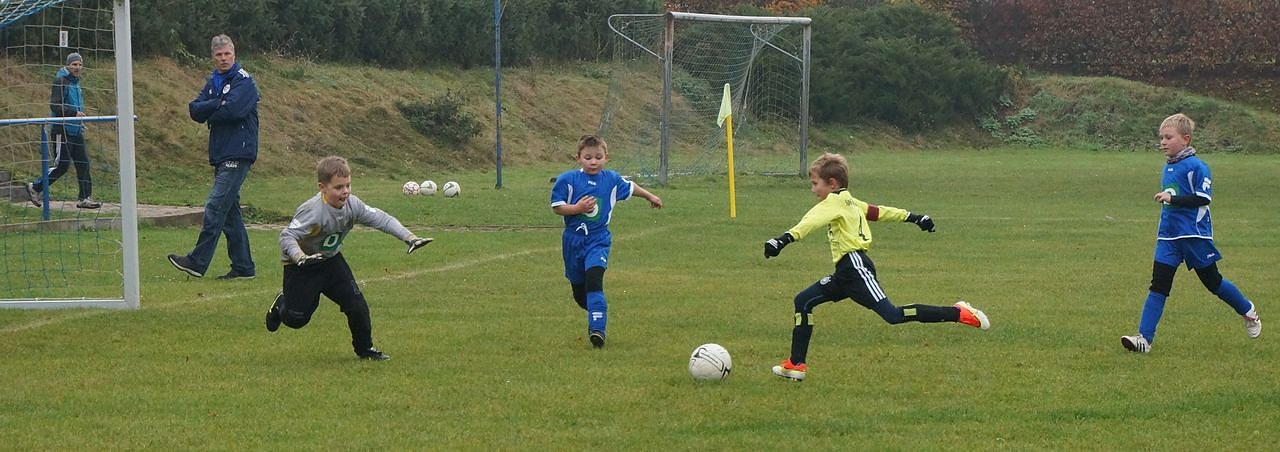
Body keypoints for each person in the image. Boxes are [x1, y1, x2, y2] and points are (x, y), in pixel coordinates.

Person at [762, 152, 989, 381]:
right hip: (845, 272)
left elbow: (810, 221)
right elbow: (880, 212)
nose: (813, 190)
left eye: (815, 183)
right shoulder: (851, 202)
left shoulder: (833, 201)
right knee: (803, 301)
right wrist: (914, 217)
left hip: (855, 268)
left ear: (832, 184)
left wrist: (782, 240)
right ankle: (796, 364)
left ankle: (959, 313)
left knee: (893, 315)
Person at [264, 156, 433, 361]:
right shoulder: (312, 211)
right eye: (338, 187)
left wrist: (409, 237)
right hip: (301, 267)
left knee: (356, 304)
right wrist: (300, 257)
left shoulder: (353, 205)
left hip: (331, 262)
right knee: (297, 319)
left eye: (348, 185)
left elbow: (381, 219)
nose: (345, 191)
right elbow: (287, 236)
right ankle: (281, 303)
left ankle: (365, 350)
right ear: (322, 188)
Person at [1120, 113, 1260, 353]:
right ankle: (1144, 339)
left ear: (1185, 139)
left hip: (1194, 236)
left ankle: (1247, 310)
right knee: (1158, 285)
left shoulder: (1197, 167)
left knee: (1213, 283)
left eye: (1168, 137)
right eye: (1161, 137)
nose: (1163, 142)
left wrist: (1171, 198)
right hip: (1168, 237)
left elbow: (1203, 198)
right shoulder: (1168, 166)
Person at [550, 134, 662, 348]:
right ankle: (597, 310)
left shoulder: (611, 180)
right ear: (578, 158)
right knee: (579, 292)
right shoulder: (567, 180)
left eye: (598, 157)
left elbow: (631, 187)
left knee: (594, 279)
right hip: (573, 242)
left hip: (598, 240)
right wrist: (577, 208)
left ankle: (597, 331)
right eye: (588, 158)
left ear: (606, 158)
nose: (593, 162)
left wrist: (650, 196)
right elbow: (557, 207)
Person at [167, 34, 259, 280]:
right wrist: (218, 104)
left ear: (234, 54)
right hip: (221, 153)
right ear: (213, 57)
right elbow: (195, 110)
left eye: (227, 54)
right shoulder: (213, 82)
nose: (223, 58)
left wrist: (212, 108)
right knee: (230, 213)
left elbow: (234, 111)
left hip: (238, 152)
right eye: (219, 55)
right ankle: (243, 267)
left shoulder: (244, 81)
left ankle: (197, 262)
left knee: (215, 206)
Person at [27, 52, 101, 209]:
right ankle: (35, 186)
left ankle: (85, 197)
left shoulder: (76, 84)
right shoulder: (61, 81)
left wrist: (79, 121)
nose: (77, 67)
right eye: (74, 64)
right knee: (62, 165)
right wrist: (73, 113)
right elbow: (55, 105)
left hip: (75, 130)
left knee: (83, 163)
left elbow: (77, 107)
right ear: (68, 65)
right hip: (62, 130)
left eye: (80, 64)